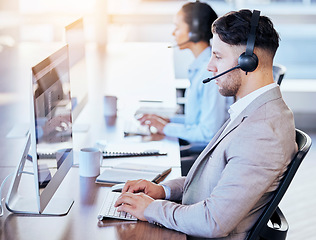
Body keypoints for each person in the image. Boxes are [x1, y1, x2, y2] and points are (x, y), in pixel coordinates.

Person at [114, 9, 298, 239]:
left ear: (248, 62)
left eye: (218, 57)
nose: (210, 66)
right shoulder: (252, 109)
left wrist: (150, 208)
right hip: (192, 223)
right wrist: (164, 190)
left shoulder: (262, 132)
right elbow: (213, 182)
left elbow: (213, 222)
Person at [138, 1, 233, 145]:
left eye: (177, 27)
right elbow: (194, 122)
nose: (173, 33)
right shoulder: (200, 66)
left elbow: (208, 133)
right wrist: (167, 121)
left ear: (193, 31)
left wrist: (166, 128)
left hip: (200, 154)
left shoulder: (209, 73)